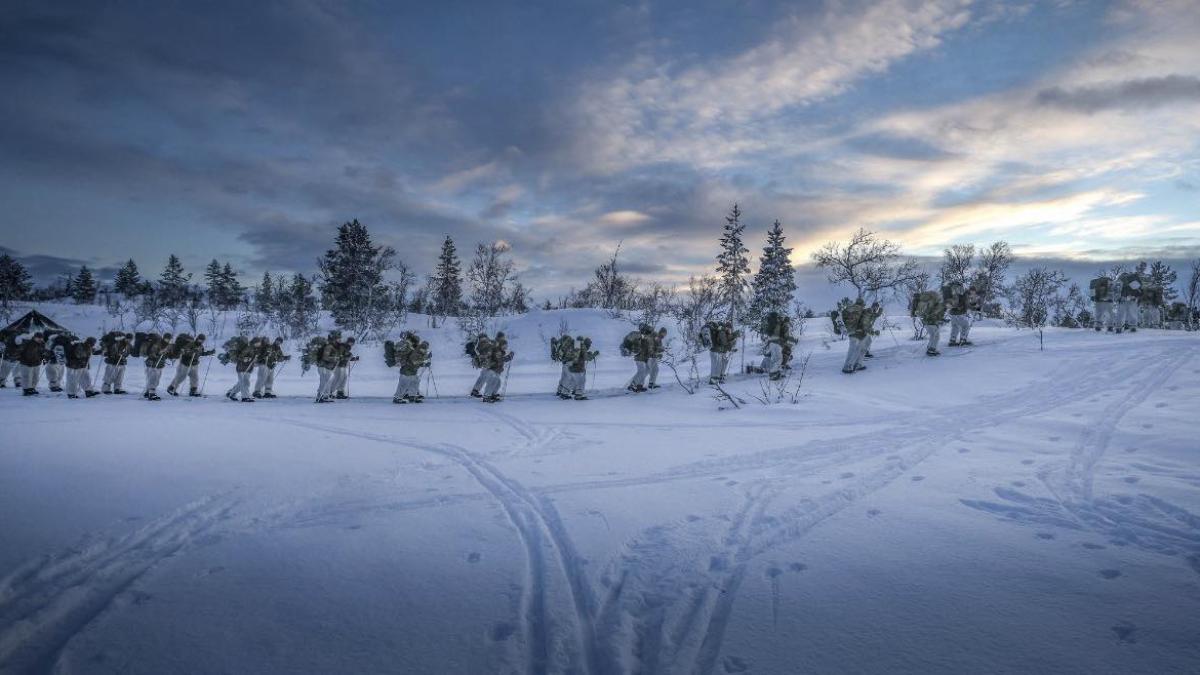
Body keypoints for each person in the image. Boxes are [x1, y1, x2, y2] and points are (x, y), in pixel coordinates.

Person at [395, 339, 431, 404]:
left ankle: (412, 396)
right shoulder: (417, 351)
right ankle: (397, 398)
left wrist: (426, 359)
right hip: (406, 371)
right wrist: (424, 363)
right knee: (404, 384)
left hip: (412, 371)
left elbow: (418, 360)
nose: (426, 349)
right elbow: (414, 361)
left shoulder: (420, 352)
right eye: (425, 347)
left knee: (415, 383)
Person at [760, 311, 793, 380]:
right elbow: (784, 335)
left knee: (776, 359)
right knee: (778, 359)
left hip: (773, 343)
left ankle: (776, 373)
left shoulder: (772, 324)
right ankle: (773, 374)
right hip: (776, 343)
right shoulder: (778, 324)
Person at [481, 334, 513, 403]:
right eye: (504, 345)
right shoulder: (497, 351)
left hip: (495, 371)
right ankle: (486, 396)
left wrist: (508, 356)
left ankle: (492, 394)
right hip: (491, 370)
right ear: (501, 345)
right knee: (491, 383)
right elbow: (500, 359)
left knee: (498, 383)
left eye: (506, 346)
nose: (506, 347)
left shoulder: (500, 351)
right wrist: (509, 357)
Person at [225, 337, 258, 402]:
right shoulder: (243, 348)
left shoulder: (252, 348)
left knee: (242, 383)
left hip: (248, 368)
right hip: (241, 368)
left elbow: (252, 358)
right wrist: (245, 359)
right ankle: (245, 397)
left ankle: (232, 394)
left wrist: (254, 360)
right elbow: (237, 358)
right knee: (245, 382)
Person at [913, 290, 946, 356]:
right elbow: (934, 314)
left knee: (932, 335)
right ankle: (932, 350)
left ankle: (930, 347)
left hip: (926, 322)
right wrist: (940, 319)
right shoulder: (933, 304)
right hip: (932, 322)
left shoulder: (925, 303)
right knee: (936, 336)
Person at [141, 332, 172, 400]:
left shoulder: (167, 346)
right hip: (153, 364)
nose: (168, 340)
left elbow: (166, 356)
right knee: (154, 379)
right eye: (167, 338)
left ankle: (148, 392)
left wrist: (166, 354)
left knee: (155, 379)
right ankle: (152, 394)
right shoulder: (157, 344)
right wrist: (159, 353)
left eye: (169, 339)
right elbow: (152, 353)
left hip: (159, 365)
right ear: (164, 338)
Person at [623, 324, 653, 392]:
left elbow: (645, 348)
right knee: (641, 371)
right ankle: (632, 385)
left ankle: (639, 385)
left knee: (647, 370)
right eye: (648, 332)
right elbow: (635, 345)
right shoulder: (637, 335)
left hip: (643, 357)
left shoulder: (644, 338)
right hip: (639, 357)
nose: (649, 334)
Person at [841, 299, 865, 374]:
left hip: (851, 331)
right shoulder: (859, 309)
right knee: (854, 349)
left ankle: (854, 364)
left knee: (855, 349)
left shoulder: (849, 310)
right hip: (856, 332)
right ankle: (847, 366)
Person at [945, 282, 974, 347]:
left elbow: (948, 304)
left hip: (952, 314)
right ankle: (963, 340)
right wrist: (967, 310)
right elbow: (966, 304)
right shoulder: (963, 294)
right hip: (960, 313)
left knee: (955, 327)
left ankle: (952, 340)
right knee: (965, 326)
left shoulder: (951, 294)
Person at [316, 334, 341, 402]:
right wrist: (335, 358)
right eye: (337, 339)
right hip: (323, 366)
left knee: (328, 381)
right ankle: (320, 396)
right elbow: (325, 357)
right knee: (324, 381)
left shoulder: (331, 347)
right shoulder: (328, 346)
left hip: (326, 367)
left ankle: (325, 396)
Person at [468, 333, 493, 398]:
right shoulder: (481, 346)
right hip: (486, 364)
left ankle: (475, 391)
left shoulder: (479, 346)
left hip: (486, 364)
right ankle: (489, 393)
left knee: (483, 377)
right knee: (487, 377)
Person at [551, 334, 576, 399]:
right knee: (569, 378)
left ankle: (560, 390)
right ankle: (565, 393)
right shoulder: (574, 344)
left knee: (564, 377)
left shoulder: (561, 344)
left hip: (564, 363)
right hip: (570, 363)